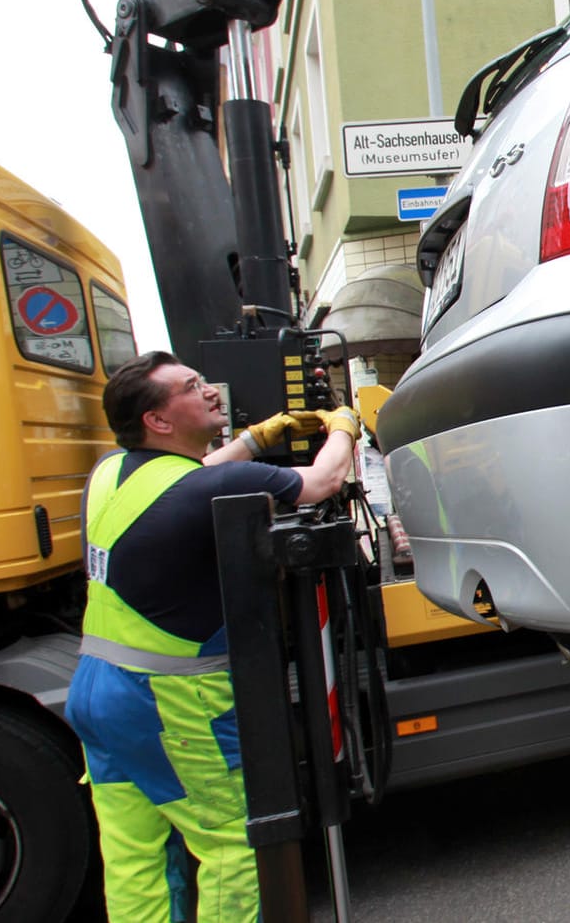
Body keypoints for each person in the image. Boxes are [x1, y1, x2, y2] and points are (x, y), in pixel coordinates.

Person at [64, 351, 356, 923]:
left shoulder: (109, 473)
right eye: (192, 387)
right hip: (171, 702)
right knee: (230, 843)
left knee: (133, 856)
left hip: (97, 692)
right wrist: (344, 425)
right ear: (159, 421)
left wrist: (255, 438)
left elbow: (186, 482)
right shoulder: (205, 488)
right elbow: (323, 482)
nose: (210, 392)